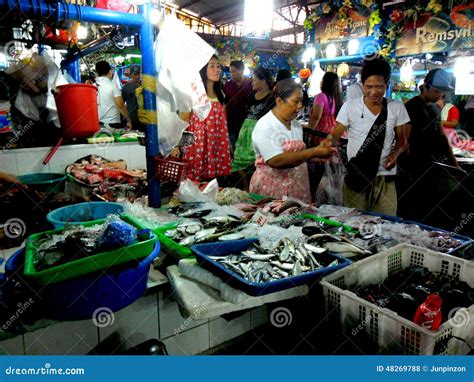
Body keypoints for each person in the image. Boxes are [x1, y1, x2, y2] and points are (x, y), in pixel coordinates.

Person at [329, 57, 411, 215]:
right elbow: (335, 135)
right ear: (362, 85)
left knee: (386, 222)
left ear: (387, 85)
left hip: (384, 176)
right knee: (354, 219)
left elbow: (403, 140)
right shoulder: (350, 107)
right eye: (369, 87)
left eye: (379, 87)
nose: (374, 92)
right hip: (358, 174)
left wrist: (395, 154)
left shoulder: (396, 107)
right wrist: (326, 148)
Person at [250, 79, 335, 203]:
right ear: (279, 101)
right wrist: (314, 152)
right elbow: (277, 161)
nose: (300, 106)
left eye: (301, 100)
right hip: (272, 191)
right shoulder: (265, 125)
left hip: (298, 188)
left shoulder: (296, 125)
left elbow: (298, 154)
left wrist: (315, 156)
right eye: (296, 101)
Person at [397, 69, 464, 227]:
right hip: (412, 173)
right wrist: (408, 172)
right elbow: (403, 142)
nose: (439, 95)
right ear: (424, 87)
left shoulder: (435, 109)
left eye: (442, 92)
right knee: (412, 216)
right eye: (436, 91)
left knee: (431, 216)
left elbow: (442, 138)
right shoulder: (410, 107)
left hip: (432, 171)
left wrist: (455, 165)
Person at [182, 55, 232, 182]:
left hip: (217, 143)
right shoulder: (193, 92)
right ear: (203, 70)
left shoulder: (221, 94)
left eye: (218, 66)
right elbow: (184, 121)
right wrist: (179, 146)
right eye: (212, 66)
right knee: (196, 181)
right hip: (198, 143)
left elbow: (223, 123)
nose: (217, 70)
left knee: (214, 182)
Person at [231, 67, 275, 191]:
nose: (252, 82)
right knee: (238, 160)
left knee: (257, 162)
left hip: (260, 133)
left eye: (255, 80)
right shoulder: (251, 96)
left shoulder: (272, 98)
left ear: (264, 81)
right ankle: (245, 185)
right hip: (245, 133)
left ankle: (256, 187)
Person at [223, 60, 253, 148]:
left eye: (234, 71)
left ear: (242, 71)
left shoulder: (251, 85)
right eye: (230, 72)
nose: (231, 74)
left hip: (245, 124)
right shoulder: (228, 85)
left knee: (244, 149)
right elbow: (224, 103)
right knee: (233, 149)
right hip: (230, 124)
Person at [95, 60, 131, 129]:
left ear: (96, 73)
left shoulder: (92, 86)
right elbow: (120, 105)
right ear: (109, 71)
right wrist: (128, 120)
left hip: (97, 124)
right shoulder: (113, 85)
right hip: (112, 123)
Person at [121, 66, 145, 131]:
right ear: (131, 75)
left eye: (138, 74)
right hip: (132, 118)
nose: (137, 76)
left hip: (142, 118)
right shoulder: (126, 87)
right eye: (135, 74)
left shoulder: (143, 86)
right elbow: (121, 104)